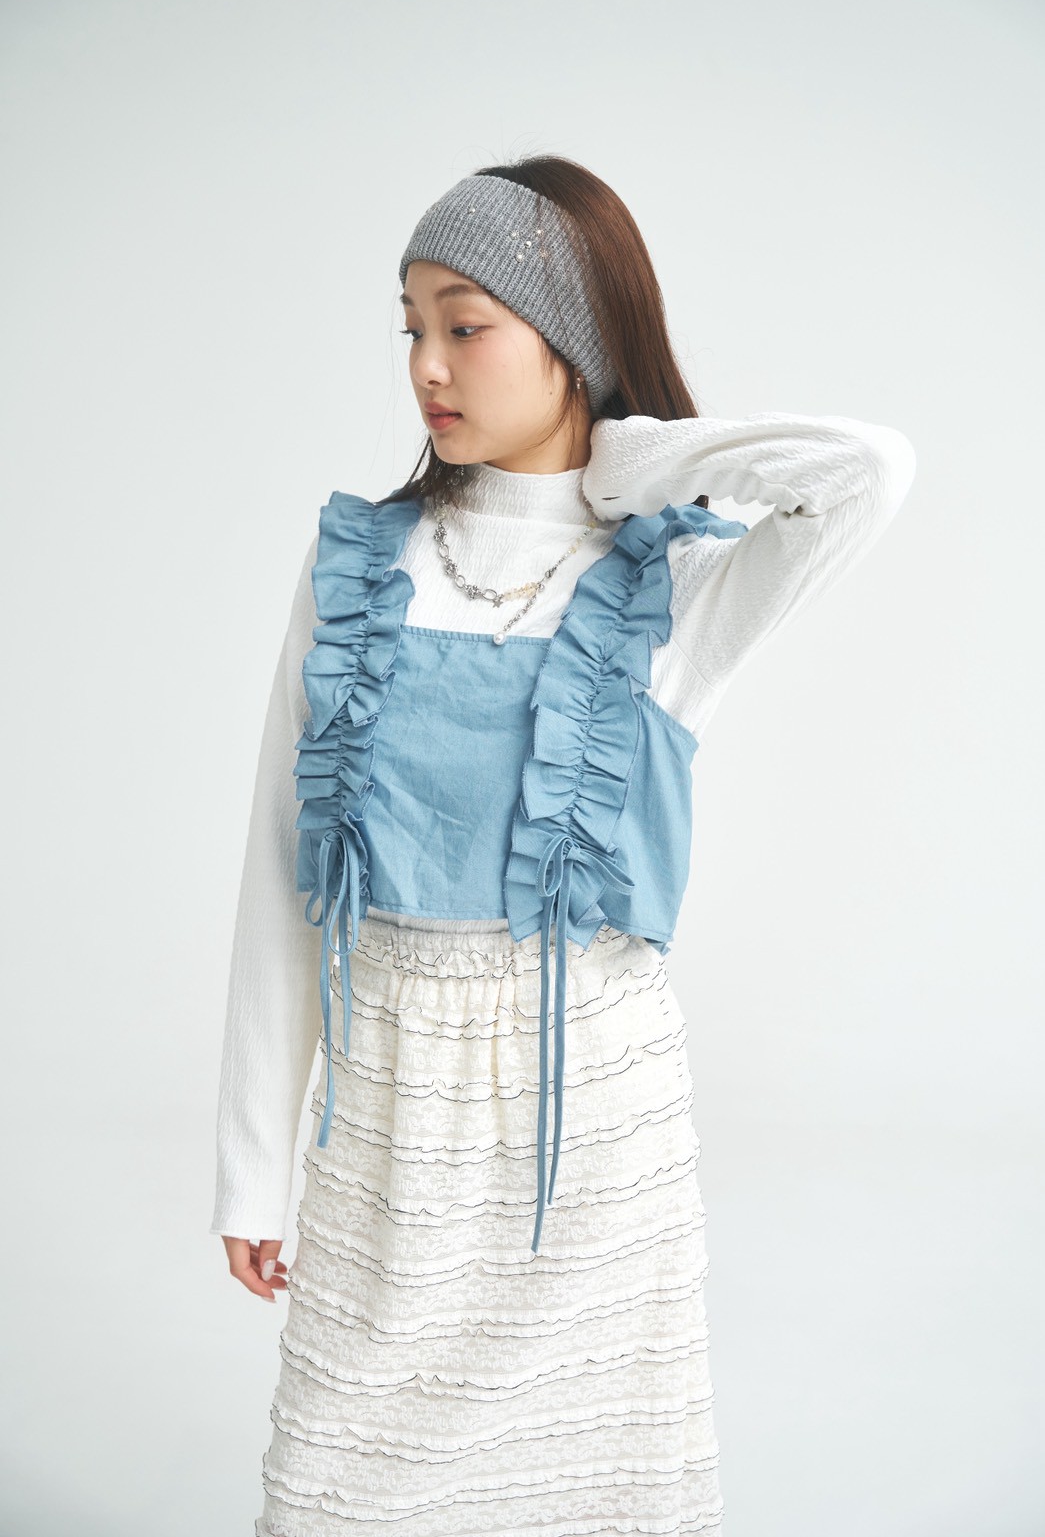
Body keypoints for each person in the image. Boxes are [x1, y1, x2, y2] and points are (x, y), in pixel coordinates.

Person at [211, 154, 917, 1536]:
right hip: (388, 1102)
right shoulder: (357, 567)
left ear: (572, 339)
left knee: (594, 1489)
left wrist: (635, 458)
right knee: (343, 1490)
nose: (426, 365)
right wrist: (250, 1163)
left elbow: (867, 472)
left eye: (465, 324)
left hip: (592, 1114)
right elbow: (278, 872)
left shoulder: (673, 581)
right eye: (411, 326)